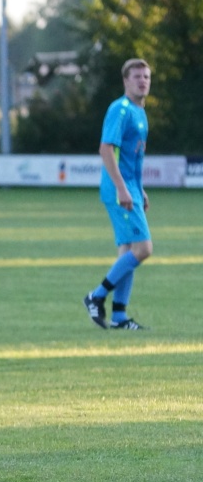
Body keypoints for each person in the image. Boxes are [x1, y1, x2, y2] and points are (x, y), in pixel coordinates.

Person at [83, 59, 153, 331]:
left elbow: (131, 159)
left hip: (130, 188)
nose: (142, 81)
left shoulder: (140, 111)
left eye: (146, 76)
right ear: (126, 81)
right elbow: (105, 150)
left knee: (127, 251)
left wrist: (139, 188)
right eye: (137, 76)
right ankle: (96, 296)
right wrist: (123, 189)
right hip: (118, 189)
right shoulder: (120, 109)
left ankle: (119, 316)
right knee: (144, 249)